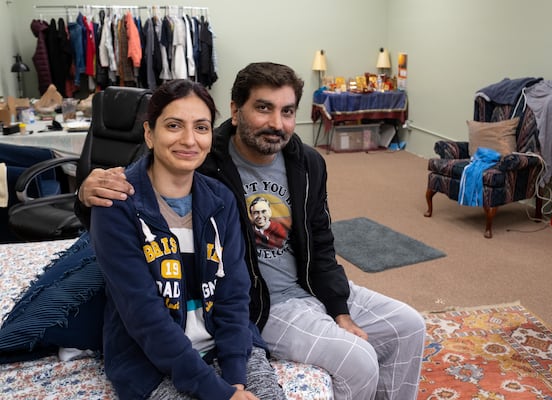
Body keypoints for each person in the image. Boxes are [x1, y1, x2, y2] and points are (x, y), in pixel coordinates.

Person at [79, 62, 426, 400]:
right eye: (263, 108)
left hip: (300, 290)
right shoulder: (205, 160)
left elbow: (320, 240)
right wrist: (84, 195)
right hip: (264, 303)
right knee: (358, 360)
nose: (277, 123)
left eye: (287, 111)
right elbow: (142, 182)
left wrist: (338, 307)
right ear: (235, 110)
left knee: (410, 326)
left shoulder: (305, 163)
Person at [88, 79, 285, 400]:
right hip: (150, 359)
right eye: (174, 125)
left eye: (201, 127)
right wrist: (216, 392)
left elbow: (234, 294)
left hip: (227, 346)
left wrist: (235, 377)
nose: (189, 140)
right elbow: (143, 316)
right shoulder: (116, 203)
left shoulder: (220, 198)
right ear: (150, 134)